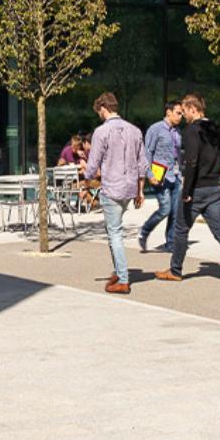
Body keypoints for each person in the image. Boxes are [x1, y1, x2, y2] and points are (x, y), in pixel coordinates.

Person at [157, 94, 220, 287]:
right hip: (214, 186)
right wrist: (213, 169)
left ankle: (175, 270)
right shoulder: (215, 128)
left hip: (197, 188)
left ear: (192, 109)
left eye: (184, 111)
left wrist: (187, 189)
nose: (183, 115)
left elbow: (191, 161)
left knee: (181, 229)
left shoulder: (191, 130)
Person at [83, 92, 146, 294]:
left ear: (103, 108)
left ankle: (123, 278)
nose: (99, 115)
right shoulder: (135, 131)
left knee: (115, 234)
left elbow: (93, 163)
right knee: (114, 231)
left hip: (112, 188)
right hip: (129, 189)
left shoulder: (101, 132)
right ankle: (119, 272)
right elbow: (142, 164)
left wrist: (86, 182)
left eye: (99, 111)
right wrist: (140, 191)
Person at [138, 99, 184, 253]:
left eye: (182, 114)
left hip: (176, 175)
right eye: (178, 113)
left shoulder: (177, 132)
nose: (181, 116)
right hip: (160, 175)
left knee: (175, 211)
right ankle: (144, 231)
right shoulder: (155, 129)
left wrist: (182, 172)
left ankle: (170, 243)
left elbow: (178, 153)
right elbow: (147, 153)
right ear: (168, 112)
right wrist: (149, 174)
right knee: (165, 208)